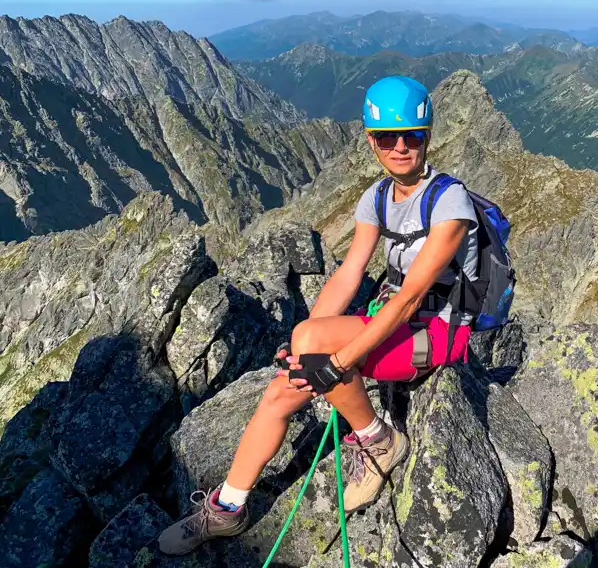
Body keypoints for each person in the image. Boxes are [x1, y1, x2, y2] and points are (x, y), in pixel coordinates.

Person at [158, 75, 479, 555]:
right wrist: (300, 343)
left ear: (427, 135)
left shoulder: (449, 202)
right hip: (392, 321)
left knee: (317, 356)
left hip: (437, 332)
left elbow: (412, 297)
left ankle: (379, 441)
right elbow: (349, 275)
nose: (400, 147)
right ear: (371, 141)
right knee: (279, 391)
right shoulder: (375, 198)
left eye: (412, 135)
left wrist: (336, 359)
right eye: (387, 138)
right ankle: (226, 509)